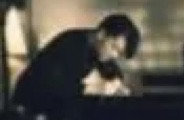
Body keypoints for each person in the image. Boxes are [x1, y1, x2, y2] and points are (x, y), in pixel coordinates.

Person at [12, 13, 140, 113]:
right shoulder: (71, 45)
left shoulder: (98, 48)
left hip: (50, 105)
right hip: (28, 106)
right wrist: (95, 88)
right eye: (114, 47)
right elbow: (61, 87)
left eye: (119, 53)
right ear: (101, 34)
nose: (114, 55)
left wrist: (118, 84)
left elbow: (112, 71)